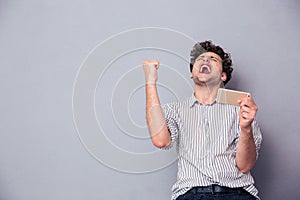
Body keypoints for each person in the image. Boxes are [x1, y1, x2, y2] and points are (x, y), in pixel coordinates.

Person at [142, 40, 262, 200]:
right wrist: (150, 81)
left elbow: (245, 165)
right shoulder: (175, 110)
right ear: (192, 73)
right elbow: (160, 141)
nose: (205, 60)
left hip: (238, 192)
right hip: (191, 194)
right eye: (200, 59)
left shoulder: (241, 109)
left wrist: (246, 127)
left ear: (223, 75)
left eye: (213, 59)